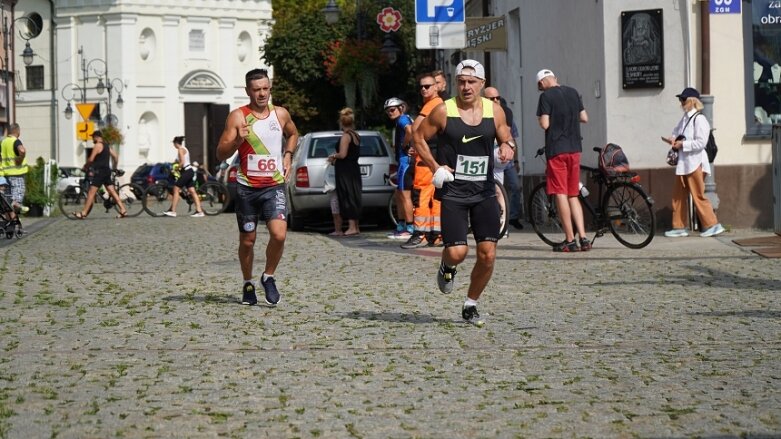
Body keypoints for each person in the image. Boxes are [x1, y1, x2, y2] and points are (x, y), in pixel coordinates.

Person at [412, 59, 515, 325]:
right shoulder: (443, 111)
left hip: (484, 191)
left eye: (471, 82)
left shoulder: (495, 111)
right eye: (461, 81)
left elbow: (506, 136)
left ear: (482, 84)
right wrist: (435, 166)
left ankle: (471, 304)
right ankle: (447, 267)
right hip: (454, 192)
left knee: (488, 253)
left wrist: (508, 147)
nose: (466, 87)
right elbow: (418, 137)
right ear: (455, 82)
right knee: (458, 253)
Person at [216, 68, 299, 306]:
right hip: (247, 189)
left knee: (279, 234)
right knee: (248, 240)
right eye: (257, 90)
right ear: (248, 91)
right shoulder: (238, 117)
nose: (262, 94)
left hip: (273, 186)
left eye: (265, 89)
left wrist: (288, 154)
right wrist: (237, 140)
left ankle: (268, 276)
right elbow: (220, 152)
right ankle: (247, 283)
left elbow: (293, 134)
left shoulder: (280, 114)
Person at [536, 68, 590, 252]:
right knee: (573, 193)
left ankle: (569, 240)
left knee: (560, 193)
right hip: (575, 148)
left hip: (557, 149)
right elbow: (584, 118)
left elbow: (545, 124)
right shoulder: (573, 92)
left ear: (541, 83)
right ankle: (583, 238)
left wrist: (545, 119)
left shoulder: (546, 97)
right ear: (555, 78)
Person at [663, 87, 725, 238]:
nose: (681, 102)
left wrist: (682, 145)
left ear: (692, 101)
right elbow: (676, 131)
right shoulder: (685, 118)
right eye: (680, 99)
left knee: (698, 195)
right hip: (684, 164)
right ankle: (679, 226)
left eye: (683, 99)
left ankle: (712, 224)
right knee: (678, 196)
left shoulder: (700, 119)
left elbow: (701, 143)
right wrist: (672, 138)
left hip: (695, 163)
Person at [403, 72, 444, 249]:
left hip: (426, 159)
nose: (423, 89)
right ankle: (436, 235)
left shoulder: (432, 105)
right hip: (433, 156)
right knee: (435, 198)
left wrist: (413, 143)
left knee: (421, 197)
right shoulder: (436, 104)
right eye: (421, 87)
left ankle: (420, 234)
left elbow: (414, 128)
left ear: (436, 87)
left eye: (427, 86)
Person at [484, 87, 524, 230]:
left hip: (505, 159)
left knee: (515, 186)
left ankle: (511, 217)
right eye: (491, 98)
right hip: (489, 158)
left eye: (497, 98)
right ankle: (497, 221)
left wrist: (516, 160)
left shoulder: (506, 114)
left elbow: (512, 139)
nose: (495, 100)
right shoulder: (480, 114)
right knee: (495, 190)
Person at [71, 130, 128, 219]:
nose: (92, 139)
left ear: (96, 137)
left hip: (100, 172)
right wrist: (114, 167)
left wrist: (85, 166)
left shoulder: (97, 145)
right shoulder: (106, 146)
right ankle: (123, 209)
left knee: (91, 192)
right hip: (107, 171)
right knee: (112, 191)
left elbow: (91, 159)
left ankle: (83, 213)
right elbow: (116, 156)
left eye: (93, 137)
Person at [384, 97, 415, 240]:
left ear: (401, 108)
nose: (389, 113)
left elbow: (410, 131)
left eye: (392, 110)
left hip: (406, 161)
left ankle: (409, 227)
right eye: (387, 111)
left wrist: (405, 145)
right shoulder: (403, 119)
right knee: (399, 194)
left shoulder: (403, 119)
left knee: (404, 195)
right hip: (403, 161)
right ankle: (401, 225)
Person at [328, 108, 362, 236]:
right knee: (354, 195)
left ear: (341, 122)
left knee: (347, 196)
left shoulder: (346, 136)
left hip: (345, 170)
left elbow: (342, 154)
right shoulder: (356, 135)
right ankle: (356, 226)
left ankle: (352, 226)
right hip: (354, 168)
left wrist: (333, 156)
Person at [163, 136, 205, 217]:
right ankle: (199, 211)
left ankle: (173, 211)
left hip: (186, 171)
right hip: (189, 171)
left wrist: (176, 168)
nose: (173, 145)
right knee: (192, 191)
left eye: (173, 143)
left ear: (175, 143)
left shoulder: (180, 149)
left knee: (176, 188)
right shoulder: (184, 148)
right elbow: (178, 161)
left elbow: (182, 162)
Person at [0, 123, 29, 218]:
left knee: (8, 203)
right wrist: (20, 158)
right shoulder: (15, 141)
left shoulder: (3, 142)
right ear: (18, 132)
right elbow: (22, 150)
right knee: (17, 200)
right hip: (17, 175)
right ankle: (16, 204)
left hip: (5, 175)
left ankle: (11, 226)